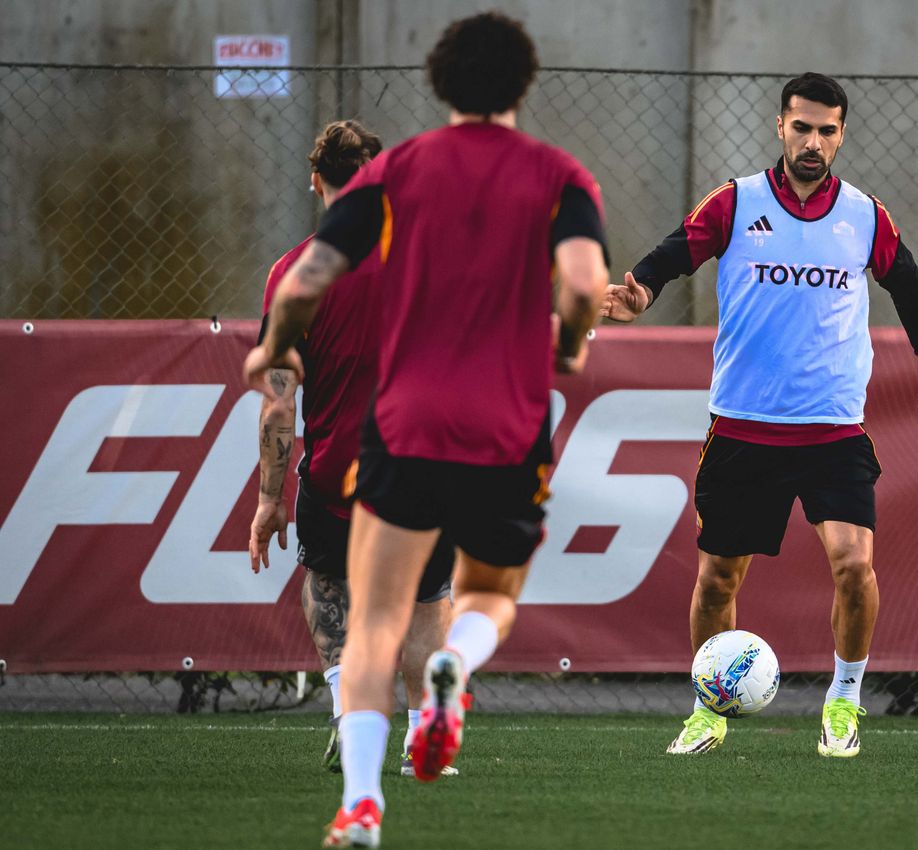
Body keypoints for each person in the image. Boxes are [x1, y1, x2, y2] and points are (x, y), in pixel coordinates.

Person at [243, 13, 609, 849]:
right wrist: (568, 343)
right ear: (524, 83)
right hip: (506, 426)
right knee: (484, 597)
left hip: (403, 430)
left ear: (438, 82)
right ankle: (453, 670)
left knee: (372, 621)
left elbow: (306, 277)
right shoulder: (558, 175)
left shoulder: (398, 172)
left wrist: (271, 343)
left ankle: (361, 805)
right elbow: (585, 282)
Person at [603, 72, 918, 759]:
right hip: (742, 426)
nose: (812, 142)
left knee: (854, 565)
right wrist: (641, 289)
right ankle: (707, 712)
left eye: (826, 131)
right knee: (717, 579)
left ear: (841, 135)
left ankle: (843, 701)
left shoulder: (865, 216)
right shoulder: (737, 202)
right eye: (802, 128)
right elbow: (676, 251)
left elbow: (907, 285)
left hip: (833, 430)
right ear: (780, 127)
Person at [248, 119, 457, 779]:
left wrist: (268, 499)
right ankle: (423, 738)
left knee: (329, 584)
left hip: (334, 474)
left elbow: (278, 401)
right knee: (427, 603)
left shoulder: (293, 274)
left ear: (316, 181)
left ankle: (347, 711)